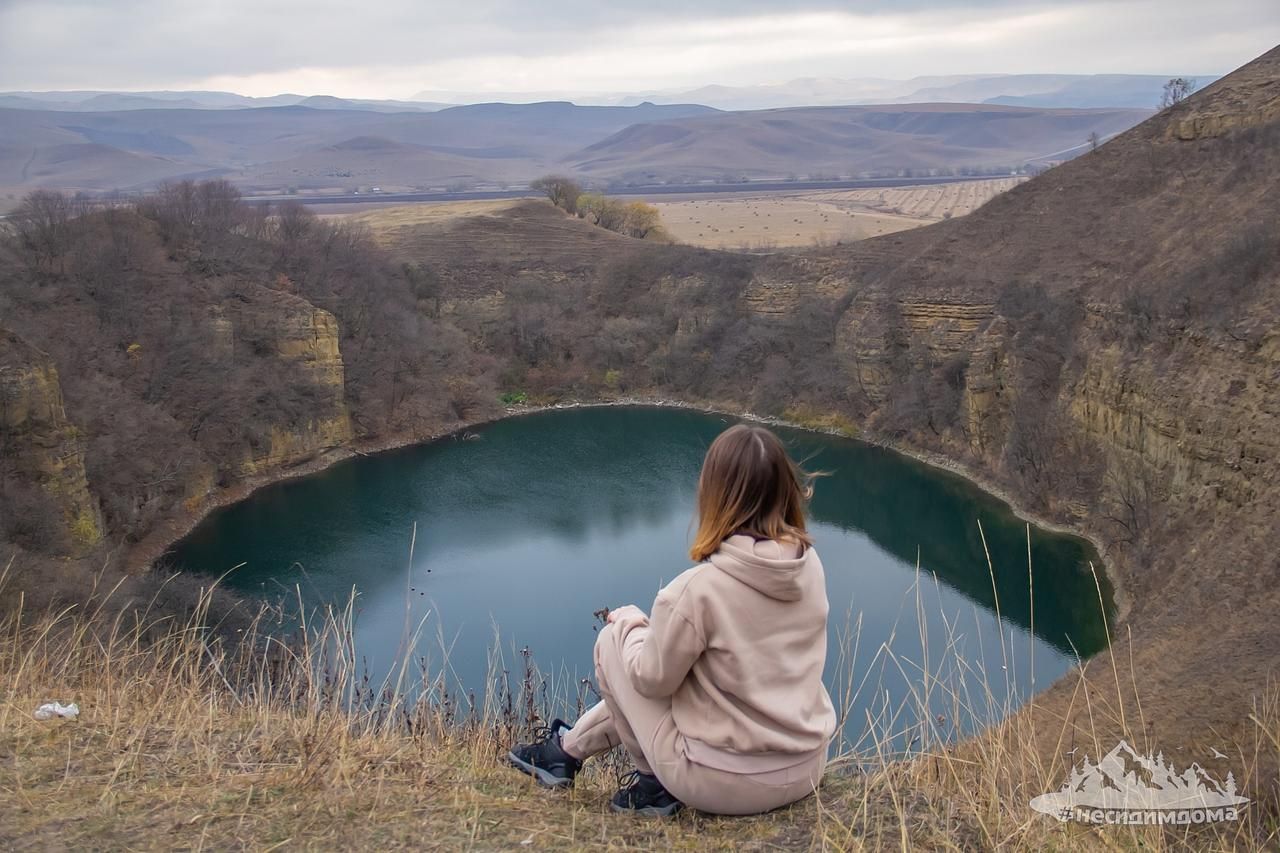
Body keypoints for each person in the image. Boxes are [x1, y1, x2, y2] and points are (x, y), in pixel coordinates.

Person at [506, 423, 837, 816]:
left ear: (714, 493)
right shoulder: (808, 566)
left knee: (615, 643)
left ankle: (654, 788)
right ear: (786, 489)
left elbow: (650, 681)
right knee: (678, 670)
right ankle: (562, 752)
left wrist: (630, 624)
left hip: (725, 785)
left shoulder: (697, 590)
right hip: (805, 769)